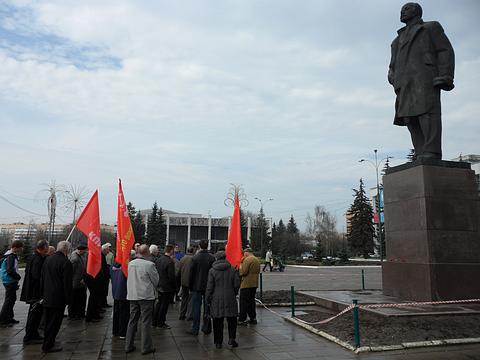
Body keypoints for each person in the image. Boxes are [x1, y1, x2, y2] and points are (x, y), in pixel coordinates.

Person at [388, 2, 455, 160]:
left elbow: (445, 50)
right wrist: (392, 76)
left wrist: (446, 75)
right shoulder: (396, 41)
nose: (403, 11)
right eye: (401, 9)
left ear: (418, 11)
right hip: (403, 83)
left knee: (427, 113)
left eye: (407, 8)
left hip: (425, 78)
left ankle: (432, 151)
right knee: (409, 118)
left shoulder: (430, 28)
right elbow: (392, 64)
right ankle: (420, 151)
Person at [125, 244, 159, 355]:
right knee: (145, 322)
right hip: (145, 296)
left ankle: (128, 345)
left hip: (133, 295)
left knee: (132, 320)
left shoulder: (130, 264)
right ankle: (146, 347)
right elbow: (156, 281)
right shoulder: (149, 265)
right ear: (147, 253)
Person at [41, 241, 73, 353]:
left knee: (48, 322)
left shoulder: (48, 259)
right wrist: (69, 299)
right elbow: (67, 284)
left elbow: (43, 278)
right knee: (54, 323)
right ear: (67, 250)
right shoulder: (66, 262)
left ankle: (47, 342)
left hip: (47, 296)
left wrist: (43, 293)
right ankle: (48, 345)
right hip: (58, 298)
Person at [206, 250, 240, 349]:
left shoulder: (212, 271)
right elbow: (237, 284)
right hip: (230, 296)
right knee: (232, 319)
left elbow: (209, 287)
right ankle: (232, 338)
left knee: (217, 320)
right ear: (225, 257)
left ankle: (218, 342)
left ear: (216, 258)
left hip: (216, 298)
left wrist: (208, 298)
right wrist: (234, 292)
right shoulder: (232, 269)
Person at [21, 239, 49, 344]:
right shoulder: (37, 259)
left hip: (35, 291)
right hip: (35, 292)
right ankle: (29, 337)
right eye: (47, 247)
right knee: (34, 315)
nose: (47, 249)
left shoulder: (36, 257)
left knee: (36, 315)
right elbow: (36, 276)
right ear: (43, 248)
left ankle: (34, 334)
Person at [188, 239, 215, 335]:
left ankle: (195, 328)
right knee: (207, 308)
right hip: (208, 286)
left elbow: (191, 273)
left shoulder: (195, 258)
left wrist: (190, 285)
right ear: (207, 246)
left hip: (196, 286)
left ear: (199, 246)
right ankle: (206, 327)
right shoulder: (212, 258)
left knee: (196, 308)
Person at [0, 240, 24, 327]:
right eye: (21, 247)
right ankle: (2, 319)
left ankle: (9, 317)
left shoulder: (10, 255)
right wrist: (17, 277)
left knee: (11, 299)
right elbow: (10, 270)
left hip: (8, 280)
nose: (22, 249)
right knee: (9, 300)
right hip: (9, 281)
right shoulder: (11, 256)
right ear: (15, 248)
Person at [153, 244, 176, 329]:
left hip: (159, 284)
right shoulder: (170, 262)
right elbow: (171, 276)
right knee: (164, 305)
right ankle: (161, 323)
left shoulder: (159, 260)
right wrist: (175, 286)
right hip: (167, 287)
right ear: (171, 251)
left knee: (159, 304)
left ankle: (154, 321)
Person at [238, 248, 261, 325]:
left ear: (246, 253)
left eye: (244, 253)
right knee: (251, 302)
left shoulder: (247, 260)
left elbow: (243, 272)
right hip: (254, 284)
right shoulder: (256, 260)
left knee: (243, 302)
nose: (243, 255)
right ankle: (253, 318)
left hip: (246, 284)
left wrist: (240, 266)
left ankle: (242, 319)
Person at [68, 242, 87, 320]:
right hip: (75, 284)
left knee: (81, 299)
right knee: (74, 300)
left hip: (81, 282)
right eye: (84, 250)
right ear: (81, 250)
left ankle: (79, 313)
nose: (85, 252)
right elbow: (71, 271)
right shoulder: (75, 258)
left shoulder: (80, 256)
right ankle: (72, 315)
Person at [111, 262, 129, 339]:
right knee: (124, 313)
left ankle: (115, 331)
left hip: (115, 291)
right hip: (123, 292)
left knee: (116, 312)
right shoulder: (125, 265)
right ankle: (122, 333)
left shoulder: (113, 265)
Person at [177, 247, 194, 320]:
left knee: (184, 298)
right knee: (191, 300)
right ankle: (189, 315)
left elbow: (178, 271)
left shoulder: (182, 259)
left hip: (183, 282)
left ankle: (182, 314)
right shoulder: (194, 259)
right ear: (193, 251)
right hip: (191, 282)